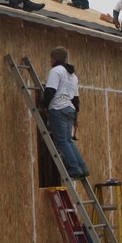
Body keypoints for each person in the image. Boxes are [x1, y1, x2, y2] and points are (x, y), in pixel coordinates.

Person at [42, 48, 89, 180]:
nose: (50, 60)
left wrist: (44, 104)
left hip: (58, 108)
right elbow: (76, 99)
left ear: (55, 58)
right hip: (70, 109)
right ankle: (82, 168)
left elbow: (50, 90)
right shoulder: (73, 76)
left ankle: (74, 169)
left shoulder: (56, 71)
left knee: (62, 141)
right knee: (68, 141)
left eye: (51, 58)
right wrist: (76, 117)